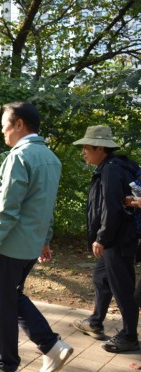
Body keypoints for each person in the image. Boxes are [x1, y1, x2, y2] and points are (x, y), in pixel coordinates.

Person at [0, 102, 72, 372]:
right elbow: (46, 205)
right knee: (12, 297)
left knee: (3, 305)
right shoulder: (50, 158)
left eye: (4, 124)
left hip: (9, 245)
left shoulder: (19, 157)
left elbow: (8, 208)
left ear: (18, 124)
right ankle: (51, 345)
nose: (2, 130)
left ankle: (6, 366)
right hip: (30, 245)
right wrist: (45, 239)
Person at [72, 125, 140, 352]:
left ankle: (129, 336)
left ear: (100, 148)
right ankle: (95, 322)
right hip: (117, 238)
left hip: (117, 240)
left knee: (123, 288)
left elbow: (111, 208)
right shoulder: (117, 166)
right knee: (101, 278)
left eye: (86, 147)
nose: (83, 152)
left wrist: (101, 238)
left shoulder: (111, 170)